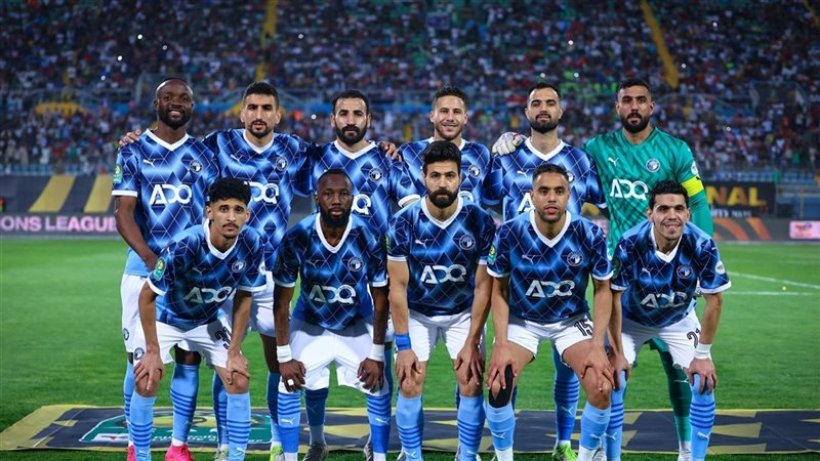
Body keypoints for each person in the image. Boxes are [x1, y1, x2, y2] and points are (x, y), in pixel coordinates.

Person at [493, 78, 714, 460]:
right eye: (627, 100)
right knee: (610, 373)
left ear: (651, 106)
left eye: (641, 100)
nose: (634, 107)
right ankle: (600, 454)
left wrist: (699, 261)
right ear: (617, 107)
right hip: (611, 280)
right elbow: (533, 163)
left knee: (674, 369)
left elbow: (698, 204)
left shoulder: (671, 151)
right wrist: (509, 140)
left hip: (657, 277)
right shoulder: (596, 149)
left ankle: (684, 449)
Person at [484, 82, 606, 461]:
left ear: (560, 110)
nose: (543, 108)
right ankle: (504, 450)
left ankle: (564, 444)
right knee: (504, 375)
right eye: (536, 102)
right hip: (520, 288)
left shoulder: (581, 161)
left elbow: (608, 205)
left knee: (572, 372)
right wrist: (493, 152)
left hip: (568, 292)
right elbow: (484, 198)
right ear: (526, 111)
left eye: (550, 102)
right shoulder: (507, 156)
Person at [301, 89, 419, 461]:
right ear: (332, 119)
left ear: (369, 119)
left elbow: (412, 208)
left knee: (378, 360)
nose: (350, 120)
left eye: (357, 114)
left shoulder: (388, 160)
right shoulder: (314, 158)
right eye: (343, 113)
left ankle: (376, 444)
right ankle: (317, 440)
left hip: (376, 279)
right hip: (324, 277)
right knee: (313, 367)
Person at [202, 81, 312, 461]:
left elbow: (339, 157)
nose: (259, 114)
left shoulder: (293, 149)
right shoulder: (218, 144)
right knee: (225, 362)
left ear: (278, 115)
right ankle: (224, 444)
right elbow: (177, 148)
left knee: (278, 360)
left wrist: (386, 149)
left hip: (271, 278)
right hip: (225, 277)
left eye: (267, 108)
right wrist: (136, 139)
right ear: (242, 112)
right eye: (252, 107)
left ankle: (279, 440)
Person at [112, 77, 219, 461]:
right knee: (141, 361)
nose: (176, 103)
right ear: (156, 104)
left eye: (184, 98)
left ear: (192, 106)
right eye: (168, 97)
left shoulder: (206, 154)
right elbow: (123, 214)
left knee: (190, 357)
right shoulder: (133, 150)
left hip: (193, 277)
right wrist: (151, 259)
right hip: (143, 271)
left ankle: (178, 445)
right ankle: (135, 445)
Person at [128, 178, 264, 461]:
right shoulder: (186, 243)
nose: (231, 217)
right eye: (223, 209)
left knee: (238, 378)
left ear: (247, 215)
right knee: (146, 379)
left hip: (207, 320)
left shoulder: (252, 242)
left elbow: (244, 296)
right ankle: (141, 457)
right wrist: (152, 351)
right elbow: (147, 296)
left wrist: (234, 351)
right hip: (167, 318)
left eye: (238, 210)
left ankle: (235, 458)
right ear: (209, 211)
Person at [606, 180, 730, 461]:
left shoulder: (702, 244)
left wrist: (703, 355)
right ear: (650, 213)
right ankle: (609, 455)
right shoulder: (630, 242)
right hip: (631, 319)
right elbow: (613, 297)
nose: (671, 215)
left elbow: (715, 300)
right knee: (613, 379)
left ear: (687, 213)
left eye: (678, 209)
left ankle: (691, 457)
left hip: (679, 319)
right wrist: (616, 352)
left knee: (703, 382)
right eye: (663, 209)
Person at [387, 141, 496, 461]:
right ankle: (412, 455)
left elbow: (484, 287)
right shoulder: (404, 221)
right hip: (417, 312)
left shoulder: (480, 221)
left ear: (461, 177)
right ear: (424, 177)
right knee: (409, 382)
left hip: (462, 313)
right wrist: (404, 345)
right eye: (435, 176)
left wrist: (472, 341)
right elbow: (397, 288)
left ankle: (467, 455)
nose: (443, 183)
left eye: (450, 175)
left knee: (471, 381)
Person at [272, 169, 390, 461]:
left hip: (356, 321)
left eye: (343, 194)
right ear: (317, 198)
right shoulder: (298, 236)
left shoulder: (369, 235)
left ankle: (379, 455)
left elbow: (381, 297)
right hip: (310, 321)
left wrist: (377, 354)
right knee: (287, 383)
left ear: (353, 198)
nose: (336, 200)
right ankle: (306, 449)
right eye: (328, 194)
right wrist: (284, 357)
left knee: (379, 383)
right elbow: (281, 300)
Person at [398, 85, 492, 205]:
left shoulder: (480, 153)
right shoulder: (409, 152)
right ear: (432, 116)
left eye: (457, 112)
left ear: (465, 118)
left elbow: (493, 200)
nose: (450, 118)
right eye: (444, 111)